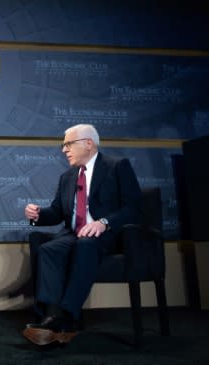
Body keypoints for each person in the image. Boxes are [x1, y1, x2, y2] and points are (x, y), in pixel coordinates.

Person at [22, 124, 141, 347]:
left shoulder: (116, 166)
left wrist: (104, 223)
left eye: (68, 144)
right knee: (48, 249)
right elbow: (57, 213)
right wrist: (38, 214)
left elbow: (133, 207)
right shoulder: (67, 177)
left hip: (107, 236)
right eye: (63, 145)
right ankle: (50, 314)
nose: (64, 150)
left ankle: (67, 315)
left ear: (88, 143)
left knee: (86, 245)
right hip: (74, 233)